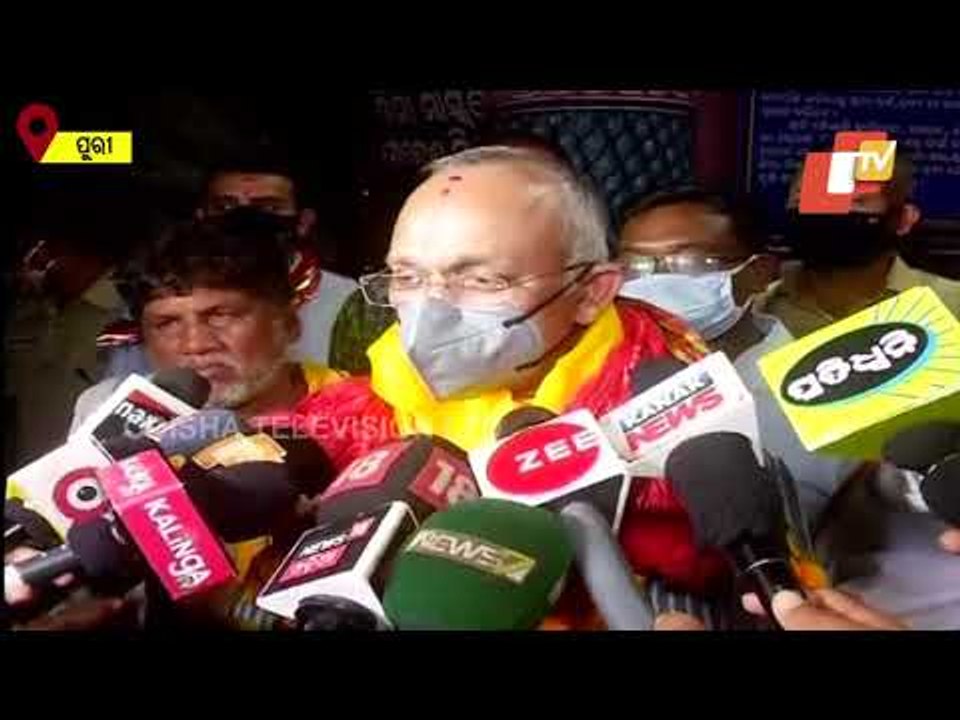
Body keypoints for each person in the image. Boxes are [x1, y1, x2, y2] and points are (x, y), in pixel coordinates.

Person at [290, 145, 742, 629]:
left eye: (482, 279)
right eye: (408, 276)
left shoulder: (682, 432)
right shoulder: (353, 413)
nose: (429, 309)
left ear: (591, 292)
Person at [56, 218, 344, 630]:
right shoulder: (108, 412)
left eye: (221, 315)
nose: (195, 345)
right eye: (167, 323)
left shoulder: (369, 408)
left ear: (288, 323)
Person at [754, 154, 960, 630]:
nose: (828, 215)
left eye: (855, 202)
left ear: (904, 219)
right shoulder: (748, 317)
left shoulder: (951, 308)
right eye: (810, 201)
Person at [616, 187, 857, 526]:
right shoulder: (600, 380)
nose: (655, 282)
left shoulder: (830, 395)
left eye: (690, 263)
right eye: (635, 266)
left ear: (760, 271)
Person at [99, 157, 359, 379]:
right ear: (201, 216)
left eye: (268, 208)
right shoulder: (157, 300)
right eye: (225, 206)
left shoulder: (352, 303)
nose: (196, 344)